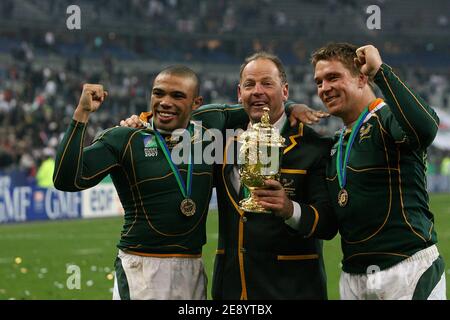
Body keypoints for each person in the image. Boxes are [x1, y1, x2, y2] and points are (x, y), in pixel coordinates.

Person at [121, 52, 337, 299]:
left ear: (285, 91)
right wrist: (141, 123)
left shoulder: (314, 146)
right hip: (232, 291)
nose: (257, 91)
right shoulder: (220, 140)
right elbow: (179, 119)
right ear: (239, 93)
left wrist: (290, 210)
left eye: (267, 83)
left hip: (292, 291)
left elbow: (328, 224)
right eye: (249, 84)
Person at [53, 65, 250, 300]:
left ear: (196, 103)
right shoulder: (124, 138)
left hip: (193, 267)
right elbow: (66, 179)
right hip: (141, 269)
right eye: (158, 93)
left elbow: (261, 107)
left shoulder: (210, 127)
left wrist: (293, 108)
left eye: (177, 96)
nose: (165, 102)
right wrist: (82, 114)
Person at [311, 43, 446, 300]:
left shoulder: (387, 118)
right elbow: (328, 224)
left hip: (407, 271)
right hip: (352, 277)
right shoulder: (335, 144)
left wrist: (381, 72)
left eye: (333, 77)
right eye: (319, 82)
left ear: (362, 78)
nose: (324, 88)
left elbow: (426, 128)